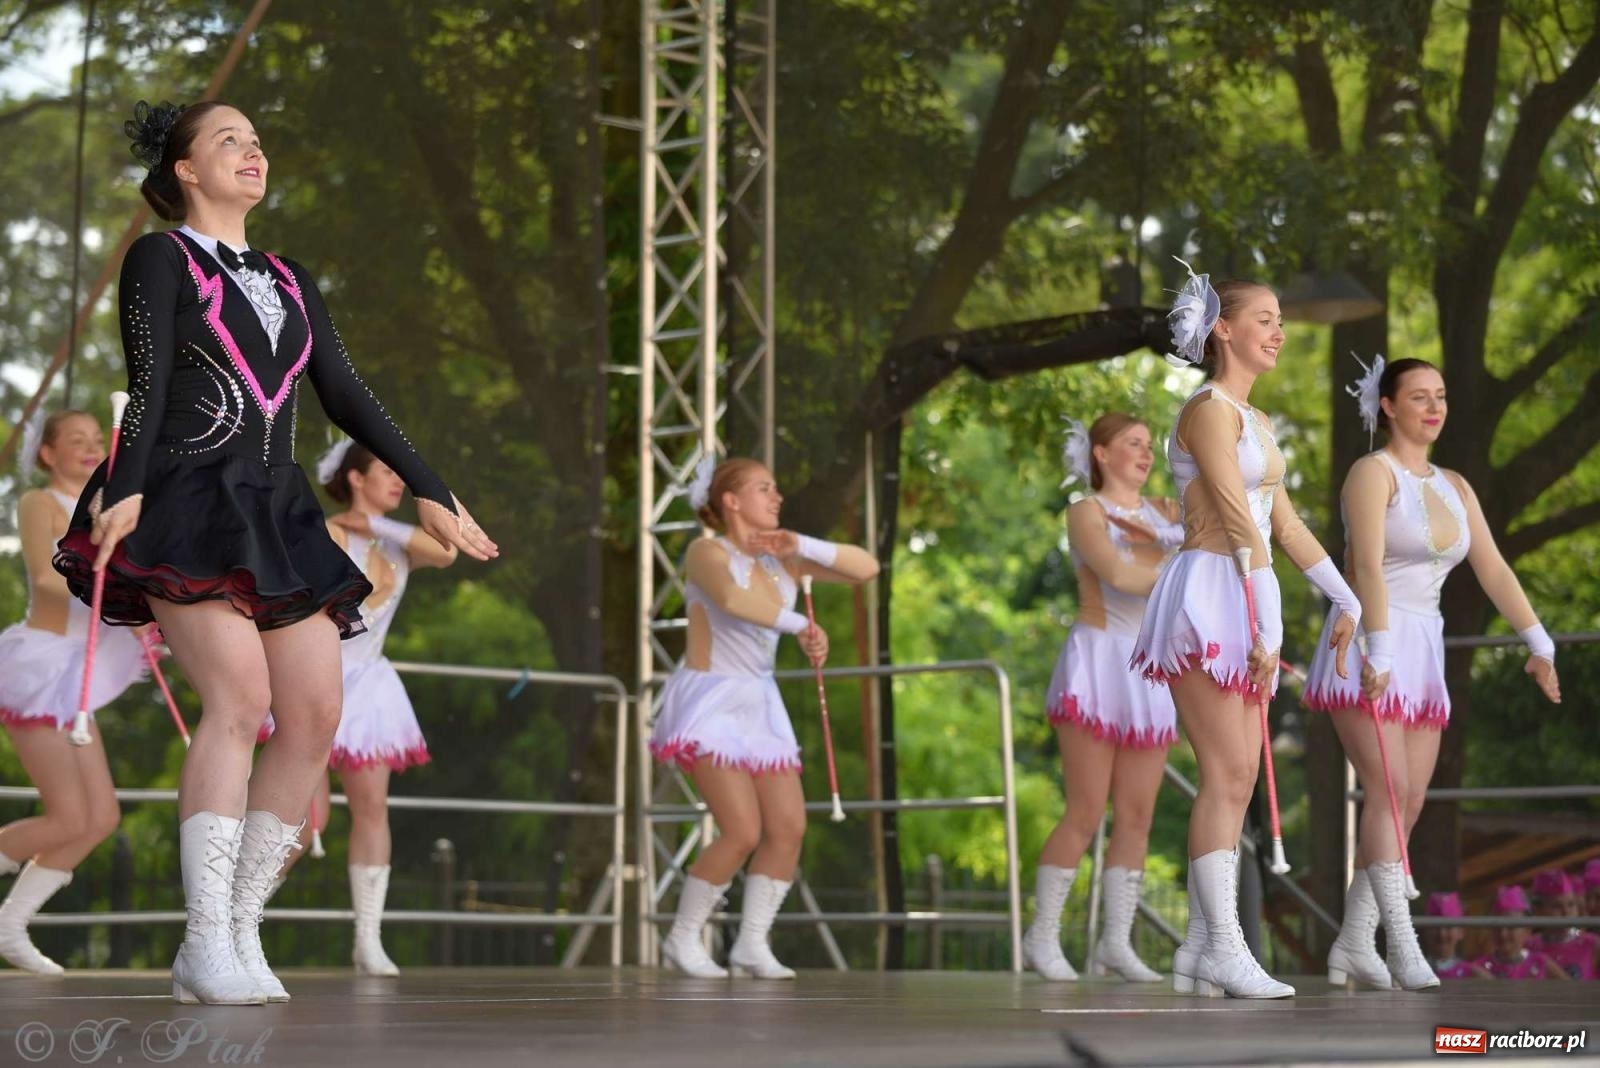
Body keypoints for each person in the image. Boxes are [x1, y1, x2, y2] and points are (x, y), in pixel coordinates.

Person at [51, 100, 496, 1005]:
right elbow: (148, 382)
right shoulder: (160, 257)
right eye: (229, 142)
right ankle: (203, 936)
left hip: (277, 509)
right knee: (239, 697)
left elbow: (347, 392)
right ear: (185, 170)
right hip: (182, 497)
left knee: (316, 711)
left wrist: (432, 487)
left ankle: (242, 927)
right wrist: (127, 485)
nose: (252, 154)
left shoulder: (291, 279)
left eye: (257, 143)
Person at [1129, 263, 1362, 999]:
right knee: (1229, 771)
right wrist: (1265, 623)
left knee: (1241, 776)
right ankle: (1225, 945)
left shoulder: (1258, 421)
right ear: (1222, 328)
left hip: (1249, 591)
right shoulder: (1206, 409)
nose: (1279, 331)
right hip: (1211, 590)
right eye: (1264, 318)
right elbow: (1233, 514)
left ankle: (1202, 947)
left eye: (1280, 320)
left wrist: (1345, 598)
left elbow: (1282, 523)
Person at [1303, 356, 1561, 991]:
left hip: (1426, 645)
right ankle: (1403, 944)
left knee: (1410, 801)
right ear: (1387, 406)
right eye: (1418, 397)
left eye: (1440, 396)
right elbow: (1363, 564)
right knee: (1389, 791)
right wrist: (1381, 652)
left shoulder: (1456, 485)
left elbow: (1494, 568)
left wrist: (1539, 642)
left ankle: (1353, 942)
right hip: (1370, 639)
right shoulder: (1372, 472)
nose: (1433, 407)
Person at [649, 457, 878, 978]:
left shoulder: (786, 560)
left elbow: (866, 568)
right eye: (763, 489)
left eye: (776, 489)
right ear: (730, 501)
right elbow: (732, 599)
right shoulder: (706, 551)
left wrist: (801, 545)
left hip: (760, 705)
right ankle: (683, 939)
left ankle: (752, 943)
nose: (776, 498)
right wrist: (801, 623)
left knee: (788, 827)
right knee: (741, 830)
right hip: (711, 702)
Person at [268, 439, 459, 975]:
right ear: (355, 477)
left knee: (372, 807)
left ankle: (368, 938)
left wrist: (373, 525)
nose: (399, 481)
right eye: (385, 471)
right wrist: (353, 532)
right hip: (315, 679)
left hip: (371, 690)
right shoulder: (324, 533)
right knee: (305, 821)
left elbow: (447, 551)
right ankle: (239, 917)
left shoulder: (400, 542)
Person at [1024, 415, 1182, 983]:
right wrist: (1178, 567)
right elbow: (1115, 572)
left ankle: (1115, 942)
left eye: (1148, 446)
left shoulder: (1168, 510)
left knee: (1137, 815)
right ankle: (1041, 935)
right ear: (1101, 453)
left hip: (1148, 669)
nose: (1145, 454)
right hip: (1097, 659)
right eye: (1132, 445)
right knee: (1086, 809)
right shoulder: (1085, 511)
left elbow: (1226, 543)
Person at [0, 411, 150, 974]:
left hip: (77, 680)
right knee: (68, 816)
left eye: (97, 440)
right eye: (76, 441)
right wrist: (118, 594)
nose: (90, 448)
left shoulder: (112, 511)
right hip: (40, 671)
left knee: (100, 817)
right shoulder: (43, 502)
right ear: (47, 454)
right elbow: (44, 577)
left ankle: (10, 927)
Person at [1474, 885, 1567, 980]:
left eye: (1511, 927)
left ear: (1527, 929)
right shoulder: (1479, 967)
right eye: (1497, 927)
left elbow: (1572, 991)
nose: (1503, 934)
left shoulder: (1540, 963)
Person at [1528, 869, 1597, 980]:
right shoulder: (1528, 946)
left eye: (1571, 905)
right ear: (1538, 910)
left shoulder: (1592, 944)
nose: (1566, 912)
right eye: (1557, 906)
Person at [1421, 892, 1489, 980]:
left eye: (1448, 927)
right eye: (1436, 926)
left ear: (1461, 931)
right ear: (1426, 930)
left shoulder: (1475, 975)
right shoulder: (1413, 974)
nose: (1442, 934)